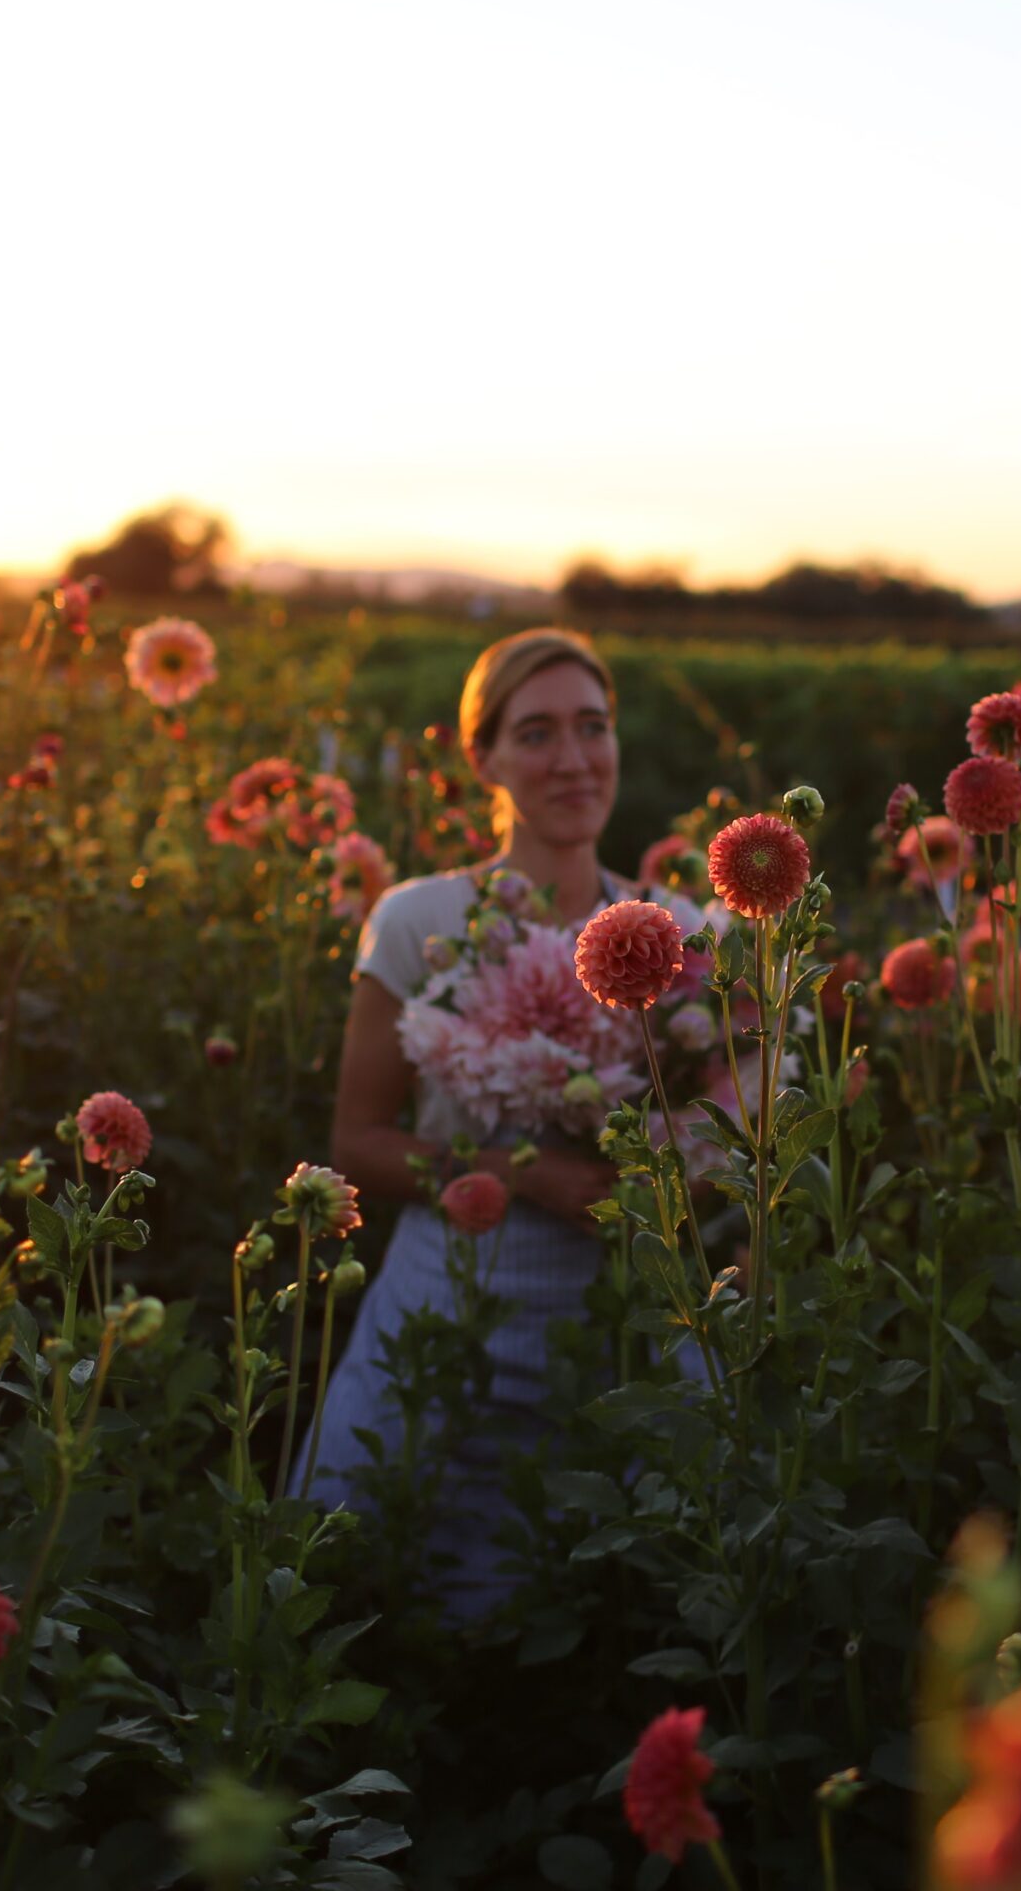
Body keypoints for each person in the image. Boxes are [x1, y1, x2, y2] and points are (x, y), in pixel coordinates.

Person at [297, 628, 698, 1617]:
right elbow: (357, 1143)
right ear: (483, 758)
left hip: (618, 1319)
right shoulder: (418, 919)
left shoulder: (682, 934)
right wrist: (524, 1174)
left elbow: (749, 1115)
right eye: (537, 732)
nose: (573, 758)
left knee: (599, 1600)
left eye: (593, 727)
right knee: (373, 1582)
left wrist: (673, 1158)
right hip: (446, 1306)